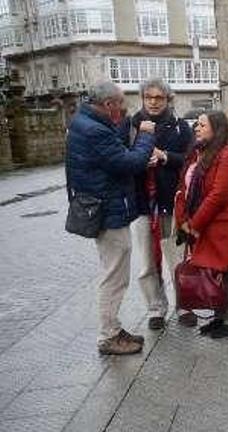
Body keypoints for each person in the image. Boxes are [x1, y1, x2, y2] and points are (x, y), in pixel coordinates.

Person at [66, 81, 156, 355]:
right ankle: (108, 336)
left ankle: (114, 329)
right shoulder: (94, 131)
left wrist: (125, 124)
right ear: (107, 105)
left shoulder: (84, 121)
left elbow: (111, 146)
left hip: (100, 205)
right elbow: (129, 162)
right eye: (120, 105)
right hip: (107, 210)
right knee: (114, 276)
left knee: (113, 270)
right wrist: (145, 136)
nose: (123, 109)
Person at [124, 78, 196, 331]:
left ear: (168, 99)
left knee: (178, 259)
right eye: (149, 97)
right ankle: (156, 308)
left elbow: (191, 160)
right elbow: (120, 162)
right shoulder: (130, 127)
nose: (153, 102)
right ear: (142, 98)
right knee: (147, 262)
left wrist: (165, 157)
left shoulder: (179, 127)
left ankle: (185, 305)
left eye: (159, 98)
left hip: (173, 202)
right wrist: (139, 162)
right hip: (142, 204)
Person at [174, 111, 228, 339]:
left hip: (220, 222)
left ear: (217, 128)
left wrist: (194, 224)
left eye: (202, 125)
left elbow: (219, 195)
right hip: (199, 222)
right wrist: (183, 220)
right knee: (211, 269)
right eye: (197, 124)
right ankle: (219, 317)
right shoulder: (198, 153)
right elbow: (184, 187)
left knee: (226, 269)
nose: (197, 128)